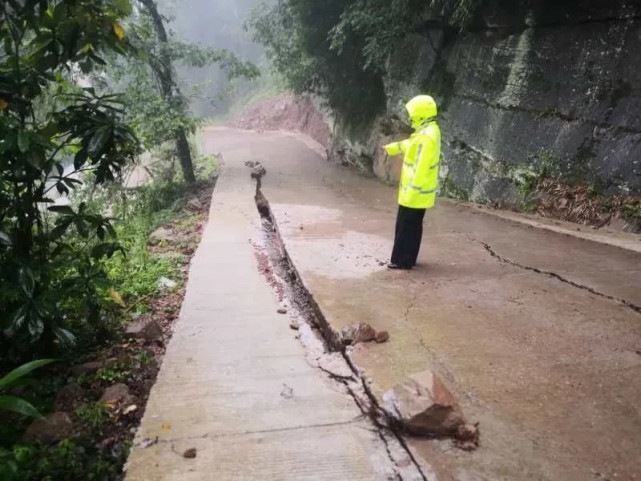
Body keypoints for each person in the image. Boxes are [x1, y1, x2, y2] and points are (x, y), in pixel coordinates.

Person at [383, 95, 441, 270]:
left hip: (414, 192)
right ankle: (409, 258)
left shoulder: (426, 136)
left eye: (413, 115)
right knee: (413, 226)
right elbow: (412, 144)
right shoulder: (430, 130)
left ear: (421, 114)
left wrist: (412, 192)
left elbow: (420, 167)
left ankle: (401, 260)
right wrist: (394, 148)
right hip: (419, 192)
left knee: (405, 226)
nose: (410, 118)